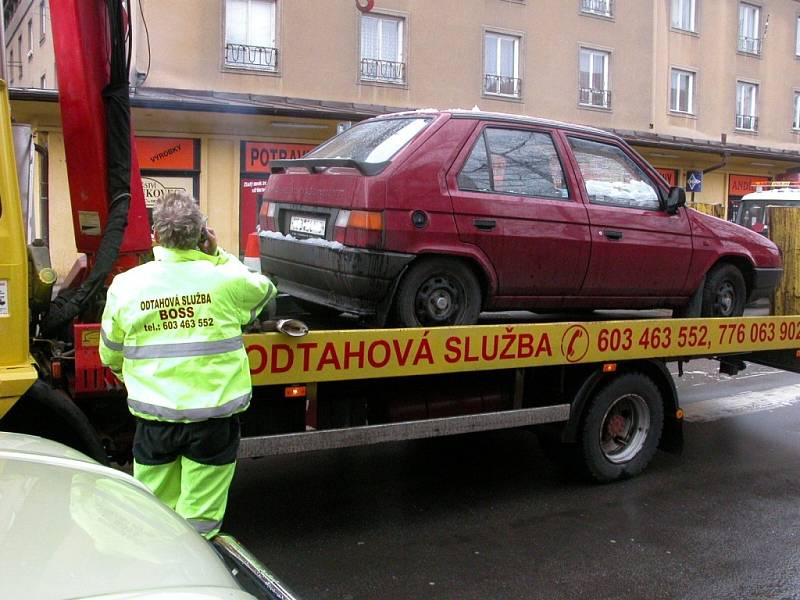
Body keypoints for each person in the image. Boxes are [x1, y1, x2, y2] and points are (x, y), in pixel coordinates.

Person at [99, 192, 277, 538]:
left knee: (154, 513)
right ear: (202, 234)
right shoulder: (225, 280)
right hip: (212, 423)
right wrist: (218, 255)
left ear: (154, 236)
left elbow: (110, 353)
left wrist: (132, 378)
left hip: (155, 424)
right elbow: (264, 291)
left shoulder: (126, 286)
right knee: (200, 521)